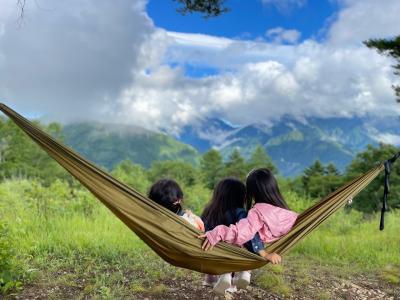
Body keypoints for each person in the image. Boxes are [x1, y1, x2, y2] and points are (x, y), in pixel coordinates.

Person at [198, 168, 298, 265]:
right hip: (269, 245)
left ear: (252, 193)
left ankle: (237, 273)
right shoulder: (292, 216)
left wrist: (217, 233)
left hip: (246, 249)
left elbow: (243, 233)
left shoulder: (257, 213)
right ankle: (242, 273)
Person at [201, 178, 265, 294]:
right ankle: (243, 273)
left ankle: (211, 279)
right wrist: (259, 249)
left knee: (213, 246)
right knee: (248, 243)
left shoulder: (209, 211)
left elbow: (202, 230)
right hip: (234, 253)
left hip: (212, 252)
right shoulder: (240, 212)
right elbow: (247, 232)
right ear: (240, 197)